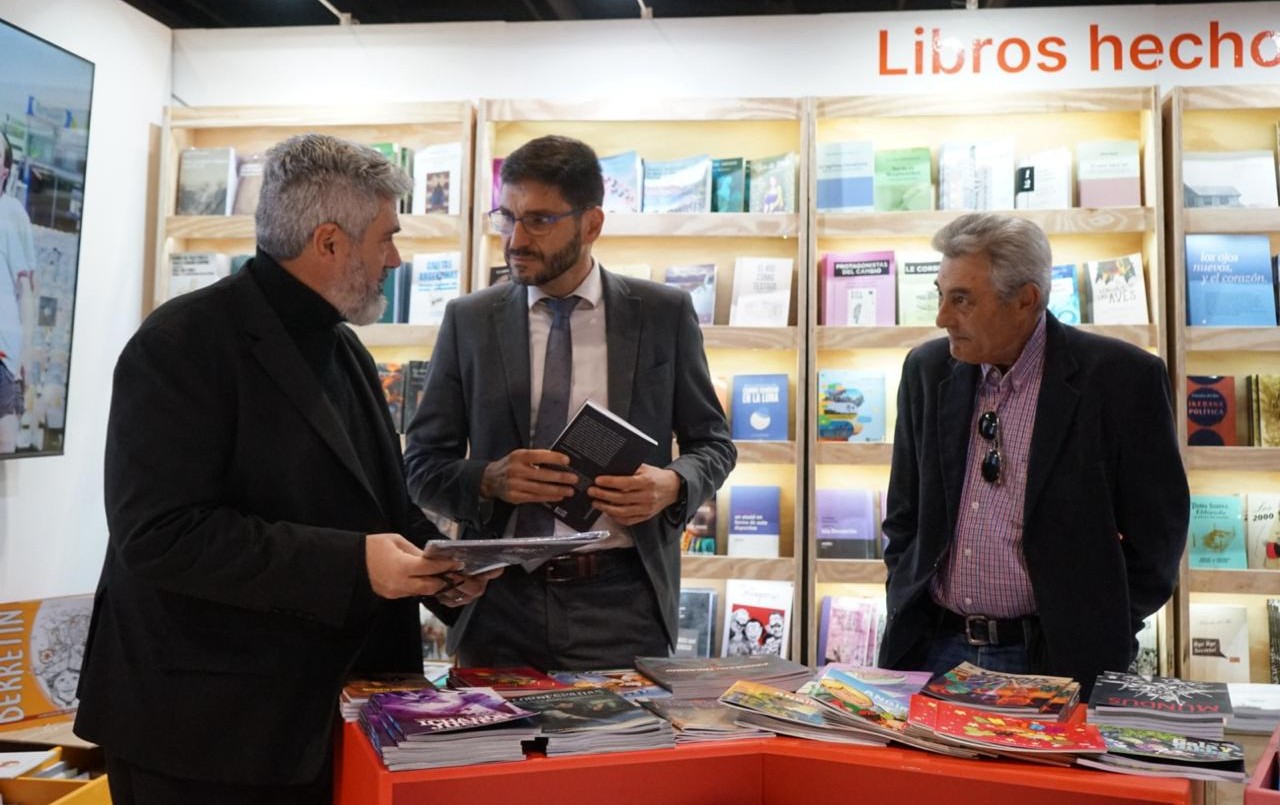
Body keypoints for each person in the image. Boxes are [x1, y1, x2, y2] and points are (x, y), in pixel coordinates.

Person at [74, 133, 498, 805]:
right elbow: (162, 534)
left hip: (319, 722)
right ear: (329, 242)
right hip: (203, 734)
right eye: (386, 238)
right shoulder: (180, 345)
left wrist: (441, 567)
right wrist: (357, 563)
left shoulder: (346, 348)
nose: (396, 257)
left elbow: (377, 504)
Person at [403, 134, 736, 671]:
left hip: (623, 602)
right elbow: (420, 464)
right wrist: (488, 479)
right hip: (498, 603)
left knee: (622, 757)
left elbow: (713, 444)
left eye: (538, 220)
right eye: (505, 218)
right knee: (497, 756)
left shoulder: (662, 314)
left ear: (591, 224)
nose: (514, 240)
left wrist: (671, 484)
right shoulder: (470, 320)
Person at [877, 212, 1188, 696]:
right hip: (932, 651)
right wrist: (905, 588)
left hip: (1058, 659)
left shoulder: (1121, 379)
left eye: (962, 299)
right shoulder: (926, 371)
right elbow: (904, 517)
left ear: (1025, 300)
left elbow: (1159, 540)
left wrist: (1098, 622)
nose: (941, 317)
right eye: (941, 294)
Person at [0, 131, 35, 453]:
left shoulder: (10, 212)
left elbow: (26, 289)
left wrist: (24, 352)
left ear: (4, 171)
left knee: (4, 438)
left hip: (2, 353)